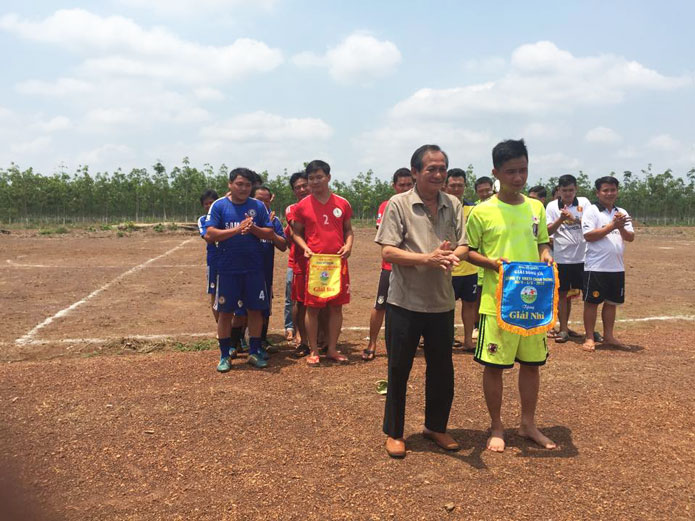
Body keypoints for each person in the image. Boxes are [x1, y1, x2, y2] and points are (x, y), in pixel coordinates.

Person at [375, 144, 468, 459]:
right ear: (415, 172)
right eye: (431, 169)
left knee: (442, 370)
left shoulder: (453, 204)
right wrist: (427, 258)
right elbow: (388, 251)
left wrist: (450, 255)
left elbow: (464, 245)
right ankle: (395, 432)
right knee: (398, 368)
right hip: (405, 302)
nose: (439, 174)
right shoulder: (399, 204)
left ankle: (435, 427)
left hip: (441, 302)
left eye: (442, 168)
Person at [466, 139, 556, 452]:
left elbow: (542, 242)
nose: (518, 178)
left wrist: (546, 255)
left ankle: (528, 423)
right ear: (495, 173)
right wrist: (492, 263)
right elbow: (469, 251)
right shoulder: (482, 211)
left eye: (523, 170)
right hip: (497, 303)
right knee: (495, 366)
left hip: (533, 302)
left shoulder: (536, 208)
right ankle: (496, 426)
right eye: (510, 172)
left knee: (532, 365)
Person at [204, 168, 276, 371]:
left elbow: (269, 233)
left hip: (254, 269)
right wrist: (237, 229)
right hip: (228, 269)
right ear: (230, 184)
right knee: (226, 312)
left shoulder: (258, 206)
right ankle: (224, 355)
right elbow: (210, 234)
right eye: (239, 184)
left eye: (247, 185)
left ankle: (254, 352)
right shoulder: (219, 205)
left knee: (255, 311)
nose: (243, 188)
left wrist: (253, 228)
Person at [292, 160, 354, 366]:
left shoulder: (342, 203)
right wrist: (305, 248)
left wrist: (348, 245)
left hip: (338, 263)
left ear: (328, 177)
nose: (315, 181)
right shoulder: (302, 206)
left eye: (319, 177)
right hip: (315, 264)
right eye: (311, 178)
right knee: (312, 308)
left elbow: (348, 230)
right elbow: (296, 233)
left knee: (336, 307)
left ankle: (332, 349)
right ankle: (314, 350)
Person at [362, 167, 414, 361]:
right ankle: (372, 343)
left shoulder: (421, 205)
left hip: (415, 267)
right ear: (394, 186)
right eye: (402, 185)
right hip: (390, 267)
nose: (406, 188)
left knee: (413, 306)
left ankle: (410, 342)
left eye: (409, 184)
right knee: (381, 304)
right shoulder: (387, 205)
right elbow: (385, 236)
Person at [581, 176, 635, 352]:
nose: (609, 193)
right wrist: (612, 226)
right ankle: (589, 337)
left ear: (617, 192)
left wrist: (620, 226)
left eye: (613, 190)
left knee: (612, 302)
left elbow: (630, 237)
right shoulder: (591, 211)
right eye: (605, 190)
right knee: (592, 302)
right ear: (598, 193)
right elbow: (589, 236)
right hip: (596, 266)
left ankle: (609, 336)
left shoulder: (622, 212)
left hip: (616, 267)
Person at [546, 174, 591, 343]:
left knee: (588, 295)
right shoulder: (552, 206)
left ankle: (590, 332)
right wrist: (561, 219)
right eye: (564, 190)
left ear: (576, 189)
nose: (568, 194)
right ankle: (564, 329)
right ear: (559, 190)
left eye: (571, 190)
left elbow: (591, 224)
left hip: (584, 257)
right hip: (562, 258)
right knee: (562, 294)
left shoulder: (584, 203)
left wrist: (574, 219)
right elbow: (548, 231)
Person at [444, 168, 478, 351]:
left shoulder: (473, 209)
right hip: (447, 268)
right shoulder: (441, 208)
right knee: (446, 307)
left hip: (470, 268)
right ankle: (446, 339)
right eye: (453, 185)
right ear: (445, 186)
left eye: (460, 185)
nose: (456, 189)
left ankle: (468, 340)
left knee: (470, 304)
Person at [251, 185, 287, 349]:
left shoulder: (274, 221)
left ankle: (262, 340)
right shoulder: (244, 217)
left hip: (265, 273)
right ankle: (237, 342)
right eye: (259, 200)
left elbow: (283, 246)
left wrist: (271, 234)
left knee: (264, 307)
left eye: (267, 200)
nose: (263, 204)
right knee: (242, 309)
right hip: (245, 271)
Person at [283, 172, 310, 344]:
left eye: (304, 185)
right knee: (296, 300)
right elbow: (296, 230)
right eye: (297, 187)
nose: (301, 189)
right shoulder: (291, 209)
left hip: (319, 261)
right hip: (297, 262)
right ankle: (296, 331)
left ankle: (320, 335)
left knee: (320, 301)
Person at [197, 189, 220, 324]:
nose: (209, 205)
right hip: (213, 260)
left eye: (212, 202)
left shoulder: (224, 216)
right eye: (206, 203)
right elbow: (208, 237)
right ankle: (219, 325)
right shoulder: (202, 220)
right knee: (214, 292)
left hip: (229, 259)